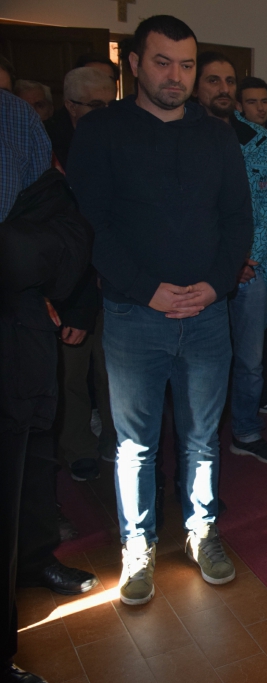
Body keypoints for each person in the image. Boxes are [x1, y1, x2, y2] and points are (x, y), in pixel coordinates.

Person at [66, 15, 253, 604]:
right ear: (135, 64)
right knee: (135, 445)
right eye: (163, 62)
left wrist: (215, 286)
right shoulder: (102, 131)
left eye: (186, 65)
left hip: (207, 315)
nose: (176, 76)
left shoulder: (217, 135)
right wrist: (147, 288)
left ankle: (202, 532)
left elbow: (238, 220)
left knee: (202, 438)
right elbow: (90, 224)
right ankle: (138, 546)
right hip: (133, 315)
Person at [1, 88, 96, 683]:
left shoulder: (13, 119)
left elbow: (68, 233)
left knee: (33, 463)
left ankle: (32, 561)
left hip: (22, 338)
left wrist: (14, 251)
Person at [46, 67, 118, 483]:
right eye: (95, 105)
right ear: (70, 106)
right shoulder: (48, 148)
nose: (105, 112)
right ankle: (77, 446)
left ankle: (113, 439)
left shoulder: (117, 141)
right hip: (67, 286)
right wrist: (75, 299)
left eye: (111, 103)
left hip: (113, 280)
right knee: (71, 373)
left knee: (112, 371)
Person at [226, 78, 267, 464]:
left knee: (251, 358)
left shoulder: (261, 140)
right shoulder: (193, 132)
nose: (260, 107)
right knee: (205, 362)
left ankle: (246, 429)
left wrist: (249, 258)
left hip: (254, 267)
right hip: (206, 268)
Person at [45, 67, 117, 171]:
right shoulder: (48, 141)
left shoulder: (118, 133)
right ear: (72, 107)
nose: (106, 112)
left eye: (112, 105)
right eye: (96, 105)